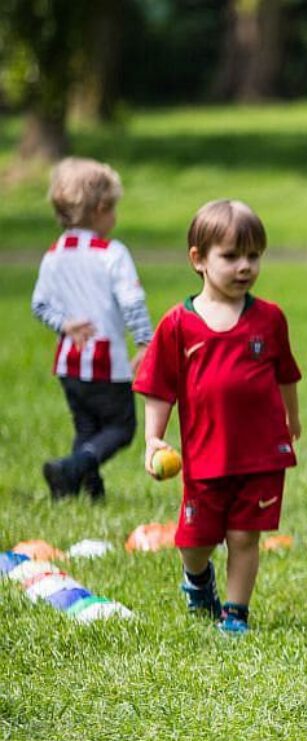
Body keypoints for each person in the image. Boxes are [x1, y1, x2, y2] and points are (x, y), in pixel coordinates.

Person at [134, 200, 302, 635]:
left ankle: (235, 613)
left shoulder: (269, 319)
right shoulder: (178, 324)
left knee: (245, 536)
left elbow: (286, 375)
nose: (245, 266)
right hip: (207, 456)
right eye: (231, 256)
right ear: (199, 259)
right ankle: (197, 577)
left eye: (254, 256)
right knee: (195, 542)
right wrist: (154, 439)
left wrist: (292, 419)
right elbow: (159, 387)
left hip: (262, 453)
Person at [32, 157, 154, 501]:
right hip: (105, 360)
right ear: (101, 208)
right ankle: (73, 468)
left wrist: (64, 325)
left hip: (68, 362)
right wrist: (145, 341)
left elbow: (39, 304)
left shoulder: (53, 254)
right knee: (121, 427)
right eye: (113, 208)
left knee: (86, 427)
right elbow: (132, 301)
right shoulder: (111, 253)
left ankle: (79, 489)